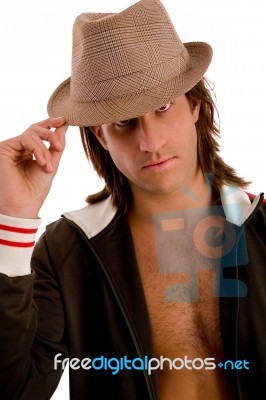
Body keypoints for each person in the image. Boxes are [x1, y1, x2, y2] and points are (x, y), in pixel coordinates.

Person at [0, 0, 265, 399]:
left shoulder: (262, 227)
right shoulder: (67, 252)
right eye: (124, 121)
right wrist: (14, 220)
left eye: (162, 106)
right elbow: (16, 390)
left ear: (194, 105)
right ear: (101, 136)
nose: (151, 143)